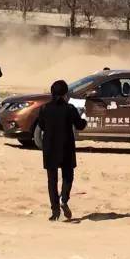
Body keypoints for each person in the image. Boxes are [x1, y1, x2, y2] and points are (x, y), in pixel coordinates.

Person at [38, 80, 87, 221]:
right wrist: (83, 116)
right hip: (66, 146)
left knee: (52, 180)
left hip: (50, 147)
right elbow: (80, 125)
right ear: (65, 94)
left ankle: (55, 211)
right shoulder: (70, 108)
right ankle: (64, 198)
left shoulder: (44, 108)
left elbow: (41, 125)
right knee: (68, 175)